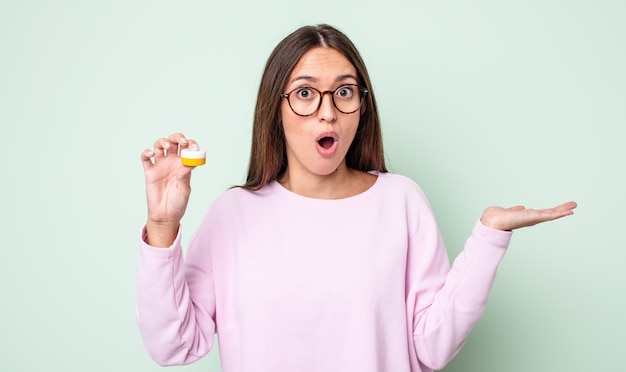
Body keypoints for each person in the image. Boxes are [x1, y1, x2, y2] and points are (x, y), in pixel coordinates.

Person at [137, 24, 576, 372]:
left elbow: (432, 347)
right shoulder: (232, 214)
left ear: (361, 106)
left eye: (344, 91)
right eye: (306, 93)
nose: (328, 111)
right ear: (276, 108)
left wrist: (488, 238)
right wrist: (161, 226)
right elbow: (173, 345)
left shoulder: (400, 201)